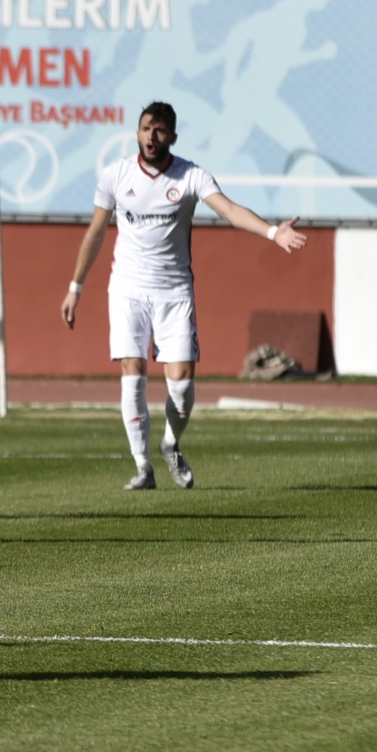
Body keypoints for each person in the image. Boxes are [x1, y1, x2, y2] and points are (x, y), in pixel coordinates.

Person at [61, 101, 307, 490]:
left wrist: (273, 232)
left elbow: (229, 210)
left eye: (159, 130)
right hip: (126, 290)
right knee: (133, 372)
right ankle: (142, 466)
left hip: (174, 292)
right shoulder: (115, 175)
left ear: (172, 136)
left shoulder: (191, 176)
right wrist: (76, 287)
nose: (151, 137)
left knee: (181, 382)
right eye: (145, 129)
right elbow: (95, 232)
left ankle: (170, 444)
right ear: (137, 133)